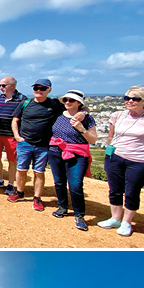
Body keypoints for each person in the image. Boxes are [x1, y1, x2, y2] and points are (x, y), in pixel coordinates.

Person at [9, 78, 75, 211]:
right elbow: (15, 120)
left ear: (49, 90)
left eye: (42, 88)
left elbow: (72, 109)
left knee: (39, 172)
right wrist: (17, 136)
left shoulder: (54, 104)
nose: (38, 91)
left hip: (44, 145)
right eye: (36, 88)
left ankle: (37, 197)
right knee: (21, 170)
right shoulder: (26, 103)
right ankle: (20, 192)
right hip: (25, 143)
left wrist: (83, 112)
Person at [48, 89, 97, 230]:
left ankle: (79, 214)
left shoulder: (86, 118)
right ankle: (62, 206)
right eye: (66, 100)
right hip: (56, 151)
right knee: (59, 182)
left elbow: (93, 139)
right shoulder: (58, 114)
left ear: (79, 103)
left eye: (71, 100)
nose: (67, 102)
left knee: (75, 185)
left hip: (77, 154)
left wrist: (82, 129)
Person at [99, 85, 144, 236]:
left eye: (135, 98)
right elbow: (111, 136)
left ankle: (127, 222)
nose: (130, 101)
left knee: (132, 192)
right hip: (115, 157)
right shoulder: (118, 115)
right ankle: (115, 218)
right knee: (115, 189)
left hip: (138, 160)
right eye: (127, 98)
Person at [0, 76, 26, 194]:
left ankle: (11, 184)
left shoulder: (22, 99)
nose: (1, 88)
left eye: (3, 85)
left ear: (12, 85)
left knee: (12, 160)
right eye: (0, 85)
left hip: (11, 135)